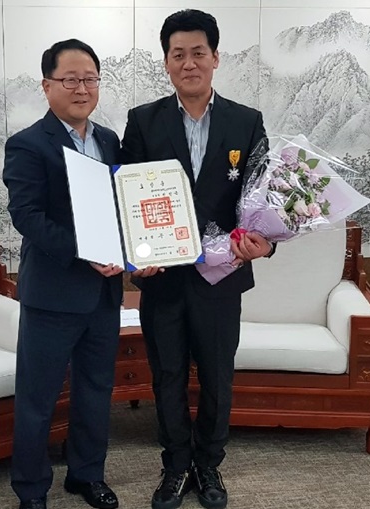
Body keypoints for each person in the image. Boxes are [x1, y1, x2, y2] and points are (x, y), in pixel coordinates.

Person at [120, 10, 274, 509]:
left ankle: (208, 465)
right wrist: (134, 258)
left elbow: (262, 200)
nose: (189, 63)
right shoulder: (143, 121)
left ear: (215, 58)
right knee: (166, 375)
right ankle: (175, 466)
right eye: (178, 54)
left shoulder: (246, 122)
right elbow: (127, 198)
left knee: (216, 377)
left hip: (221, 277)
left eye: (198, 53)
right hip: (163, 277)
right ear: (166, 62)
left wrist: (264, 243)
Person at [3, 39, 123, 509]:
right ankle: (31, 490)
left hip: (104, 292)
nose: (81, 88)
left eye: (90, 79)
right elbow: (27, 216)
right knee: (38, 399)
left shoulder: (109, 140)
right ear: (47, 85)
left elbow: (121, 208)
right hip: (52, 294)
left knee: (96, 390)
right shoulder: (28, 143)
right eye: (70, 79)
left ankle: (86, 474)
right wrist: (85, 251)